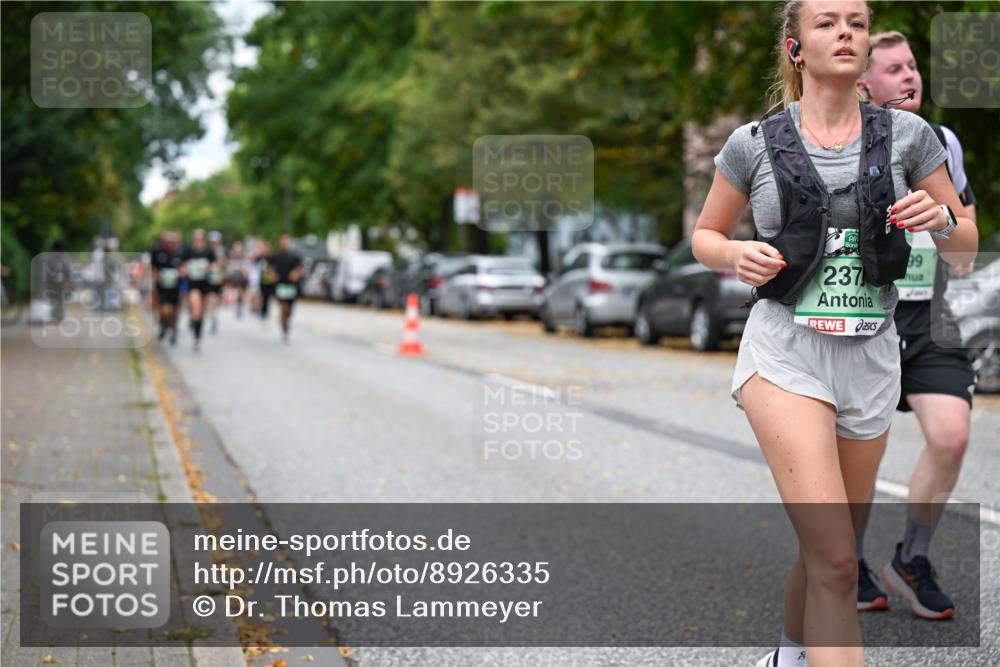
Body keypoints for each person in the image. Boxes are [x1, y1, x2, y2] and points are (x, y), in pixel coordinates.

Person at [690, 2, 977, 666]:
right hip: (785, 353)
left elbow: (964, 241)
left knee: (830, 546)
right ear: (796, 47)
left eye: (856, 20)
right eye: (827, 22)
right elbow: (705, 234)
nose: (845, 31)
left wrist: (938, 214)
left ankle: (789, 656)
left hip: (872, 355)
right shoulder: (753, 144)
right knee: (841, 562)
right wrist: (735, 255)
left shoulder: (908, 136)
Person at [852, 30, 978, 620]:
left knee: (951, 435)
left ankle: (912, 557)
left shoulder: (942, 142)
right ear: (863, 84)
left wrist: (945, 220)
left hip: (929, 309)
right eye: (895, 69)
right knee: (861, 451)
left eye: (913, 67)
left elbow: (966, 243)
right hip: (858, 312)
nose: (910, 77)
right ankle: (844, 559)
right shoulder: (838, 139)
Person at [180, 228, 216, 351]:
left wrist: (210, 268)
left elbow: (215, 266)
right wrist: (185, 269)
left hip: (205, 284)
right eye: (196, 238)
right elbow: (182, 266)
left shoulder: (208, 252)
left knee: (201, 312)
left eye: (200, 238)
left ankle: (197, 335)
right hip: (193, 284)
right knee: (196, 306)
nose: (198, 240)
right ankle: (195, 329)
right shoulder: (188, 251)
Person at [265, 234, 304, 343]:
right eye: (282, 242)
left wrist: (295, 274)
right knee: (283, 307)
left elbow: (300, 268)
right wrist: (272, 275)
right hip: (280, 286)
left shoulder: (295, 256)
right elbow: (268, 268)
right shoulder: (276, 257)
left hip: (291, 286)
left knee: (290, 310)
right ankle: (284, 328)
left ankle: (286, 320)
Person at [150, 231, 183, 345]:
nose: (169, 245)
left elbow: (184, 266)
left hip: (175, 287)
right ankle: (164, 325)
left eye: (172, 242)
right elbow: (152, 268)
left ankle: (173, 330)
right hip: (162, 287)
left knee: (174, 310)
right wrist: (156, 276)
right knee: (165, 310)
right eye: (166, 242)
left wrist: (180, 272)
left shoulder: (180, 252)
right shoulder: (156, 252)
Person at [206, 230, 226, 334]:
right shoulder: (207, 250)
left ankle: (213, 317)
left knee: (215, 299)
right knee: (210, 298)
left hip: (218, 278)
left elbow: (222, 263)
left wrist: (218, 267)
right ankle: (212, 317)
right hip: (208, 278)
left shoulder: (220, 251)